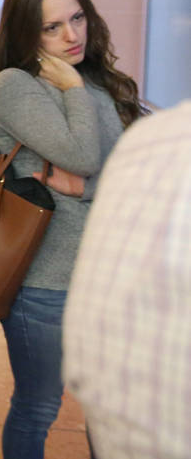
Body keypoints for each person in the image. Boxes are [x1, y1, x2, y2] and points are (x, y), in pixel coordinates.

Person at [0, 0, 144, 459]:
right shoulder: (15, 85)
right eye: (52, 27)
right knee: (38, 408)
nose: (71, 35)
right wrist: (72, 93)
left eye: (77, 19)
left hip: (110, 278)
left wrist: (83, 185)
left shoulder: (100, 80)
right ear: (27, 31)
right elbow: (83, 156)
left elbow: (138, 170)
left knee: (110, 408)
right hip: (46, 282)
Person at [62, 100, 189, 459]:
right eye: (52, 35)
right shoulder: (164, 141)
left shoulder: (154, 137)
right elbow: (85, 158)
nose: (71, 38)